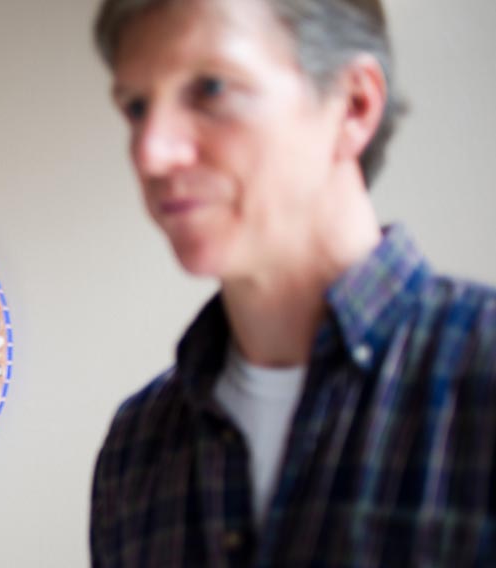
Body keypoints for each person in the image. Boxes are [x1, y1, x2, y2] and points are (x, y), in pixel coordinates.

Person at [89, 0, 496, 565]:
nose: (151, 152)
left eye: (210, 88)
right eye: (135, 106)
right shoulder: (136, 446)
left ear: (354, 105)